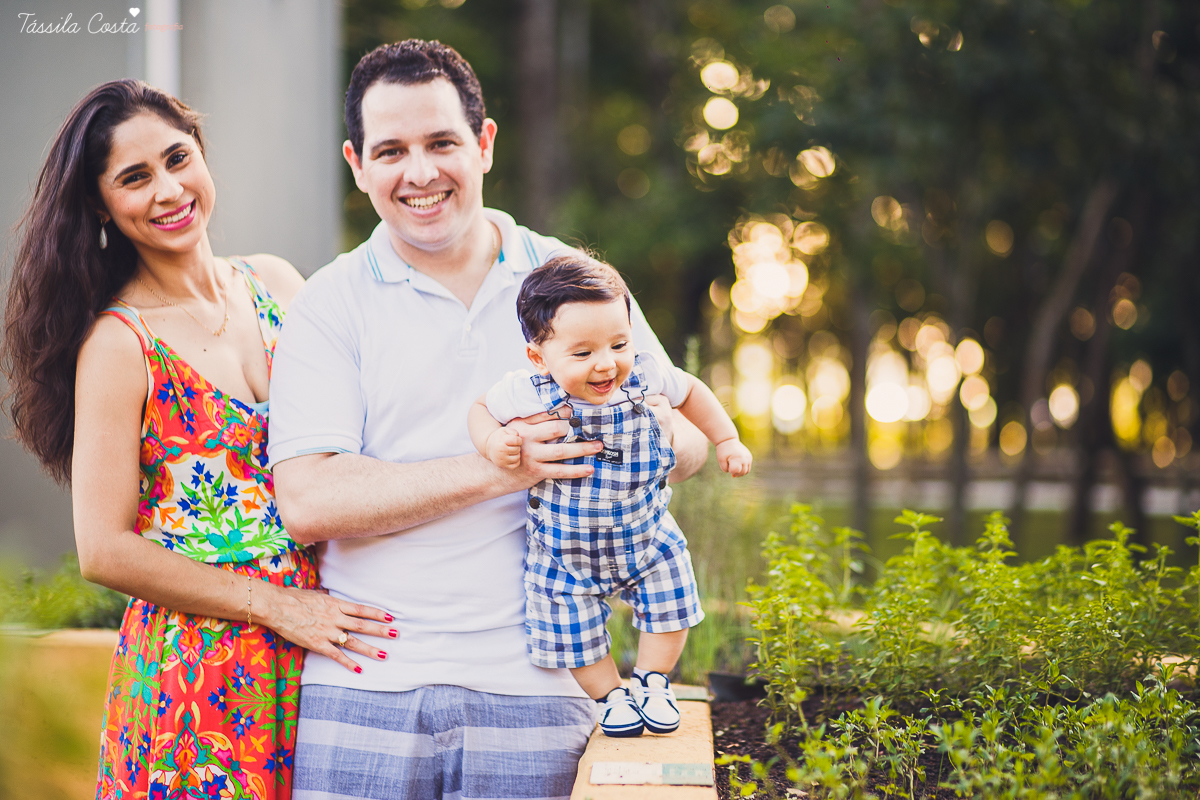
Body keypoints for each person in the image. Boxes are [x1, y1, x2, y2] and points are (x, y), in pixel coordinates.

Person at [267, 40, 710, 799]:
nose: (419, 173)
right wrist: (500, 466)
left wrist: (661, 437)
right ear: (357, 164)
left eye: (442, 142)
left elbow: (688, 434)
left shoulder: (575, 281)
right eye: (391, 151)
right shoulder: (328, 304)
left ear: (484, 144)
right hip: (364, 685)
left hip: (541, 685)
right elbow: (309, 502)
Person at [1, 79, 395, 800]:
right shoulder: (120, 344)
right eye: (134, 178)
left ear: (201, 154)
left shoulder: (278, 284)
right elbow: (103, 549)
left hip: (324, 658)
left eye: (177, 158)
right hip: (196, 680)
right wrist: (274, 605)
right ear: (101, 206)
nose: (168, 190)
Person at [468, 255, 751, 738]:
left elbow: (692, 391)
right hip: (566, 549)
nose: (606, 363)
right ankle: (610, 697)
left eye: (619, 344)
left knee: (671, 601)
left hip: (644, 532)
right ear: (539, 357)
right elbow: (480, 409)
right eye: (582, 353)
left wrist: (726, 439)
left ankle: (653, 680)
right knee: (572, 630)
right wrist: (494, 441)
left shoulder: (646, 375)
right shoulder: (528, 391)